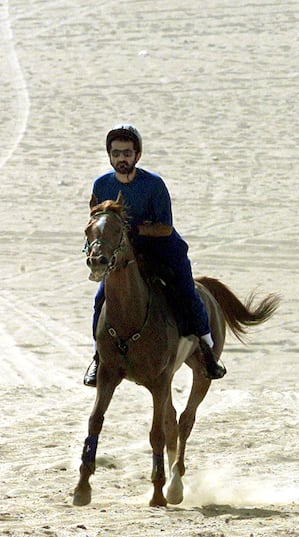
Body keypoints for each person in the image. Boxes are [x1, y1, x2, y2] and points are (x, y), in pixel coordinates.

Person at [83, 124, 226, 386]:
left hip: (161, 248)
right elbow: (97, 221)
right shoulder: (101, 184)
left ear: (137, 155)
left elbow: (165, 227)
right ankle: (97, 357)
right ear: (110, 156)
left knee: (185, 292)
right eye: (116, 153)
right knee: (100, 298)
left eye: (126, 153)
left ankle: (207, 350)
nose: (121, 159)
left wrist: (132, 230)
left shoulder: (153, 185)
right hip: (124, 253)